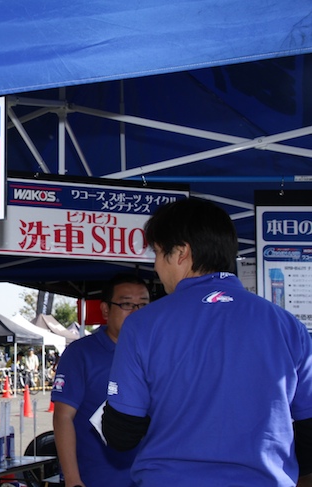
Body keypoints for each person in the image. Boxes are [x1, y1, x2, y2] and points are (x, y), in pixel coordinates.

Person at [103, 199, 312, 486]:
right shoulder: (289, 327)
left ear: (181, 253)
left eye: (159, 252)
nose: (155, 265)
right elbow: (309, 430)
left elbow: (121, 435)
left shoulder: (142, 324)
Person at [52, 273, 150, 487]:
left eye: (143, 305)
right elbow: (63, 417)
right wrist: (72, 479)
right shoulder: (81, 353)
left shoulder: (158, 353)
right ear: (106, 310)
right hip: (95, 478)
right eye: (127, 304)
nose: (136, 312)